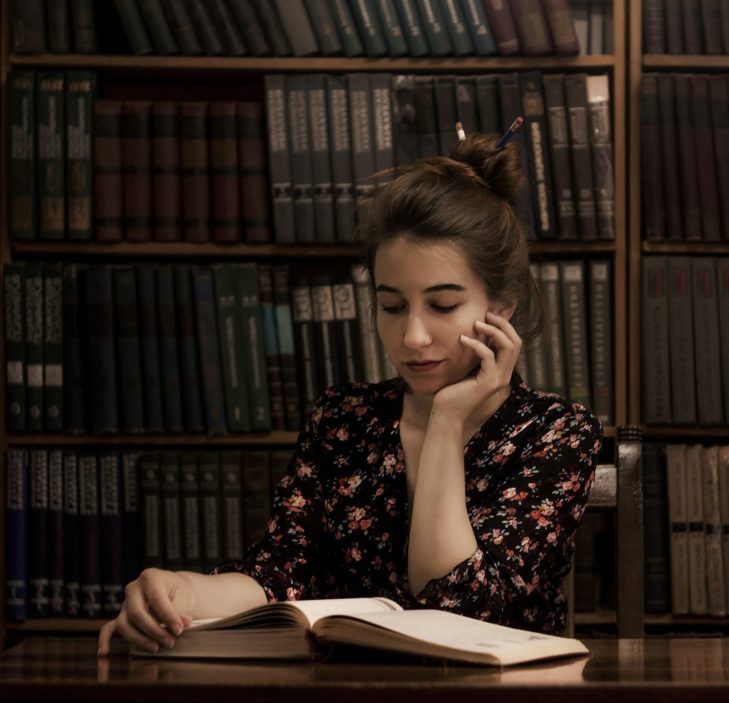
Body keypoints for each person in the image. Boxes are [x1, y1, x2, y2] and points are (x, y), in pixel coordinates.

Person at [98, 133, 603, 656]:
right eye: (391, 306)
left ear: (502, 306)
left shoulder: (557, 432)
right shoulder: (344, 417)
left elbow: (453, 604)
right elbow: (280, 572)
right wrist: (182, 591)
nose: (412, 337)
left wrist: (448, 421)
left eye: (443, 305)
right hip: (351, 689)